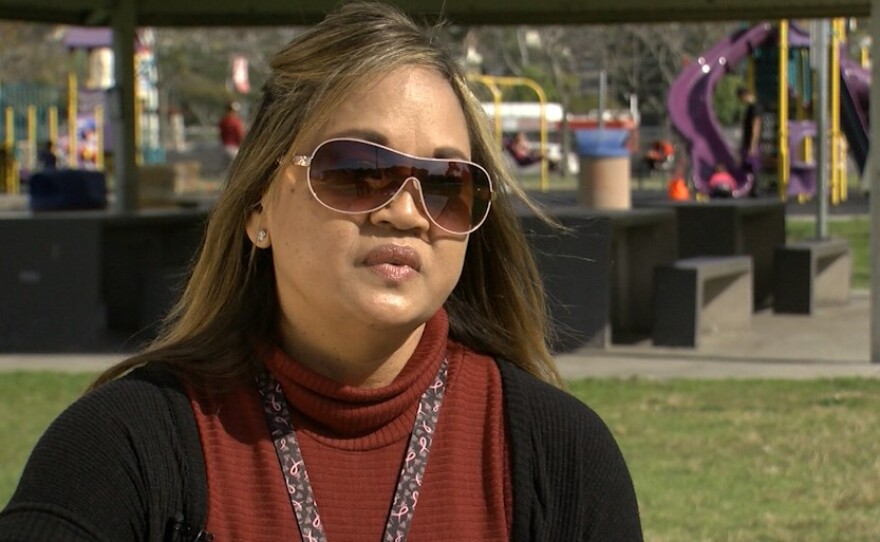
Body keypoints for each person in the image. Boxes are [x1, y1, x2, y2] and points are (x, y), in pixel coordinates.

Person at [0, 3, 642, 541]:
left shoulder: (562, 458)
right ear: (259, 207)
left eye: (447, 184)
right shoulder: (120, 450)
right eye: (358, 170)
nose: (407, 213)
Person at [736, 86, 763, 197]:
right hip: (748, 143)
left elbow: (755, 126)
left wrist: (752, 145)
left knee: (753, 166)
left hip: (751, 143)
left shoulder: (755, 107)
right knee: (747, 166)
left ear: (744, 95)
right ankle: (750, 189)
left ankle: (755, 190)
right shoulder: (750, 107)